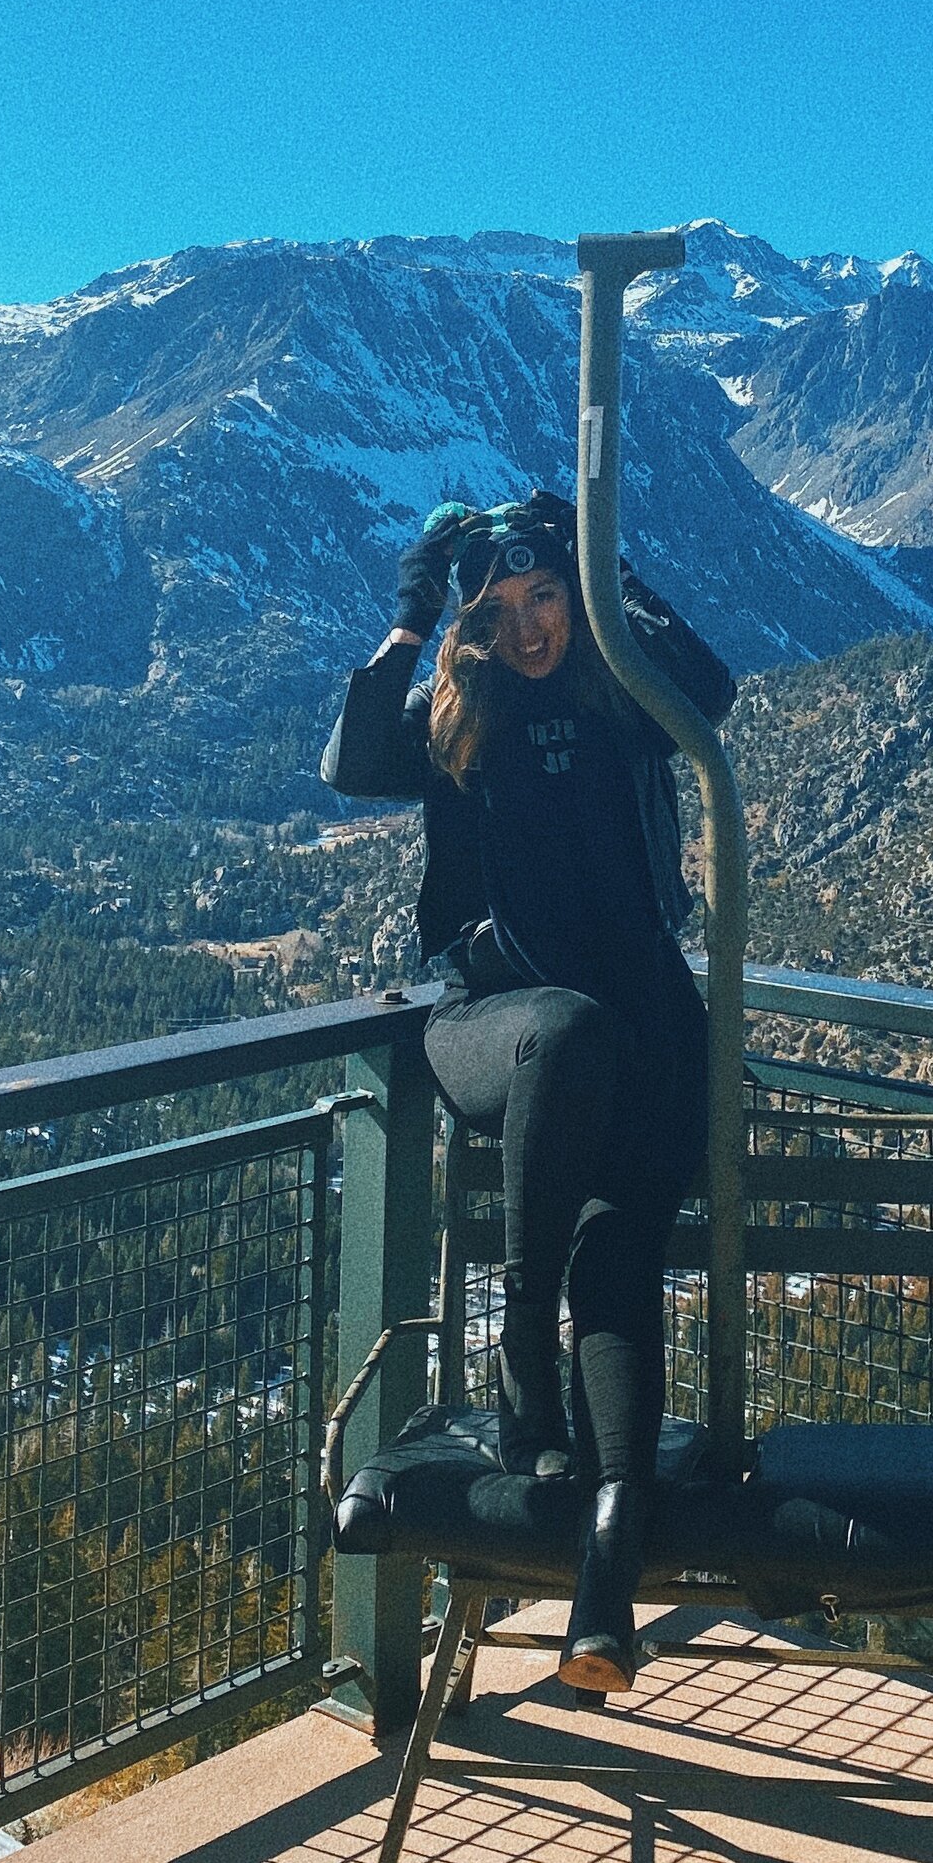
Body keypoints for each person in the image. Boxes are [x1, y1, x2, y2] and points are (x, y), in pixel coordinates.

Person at [320, 489, 735, 1693]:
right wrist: (409, 622)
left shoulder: (623, 704)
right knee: (567, 1028)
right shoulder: (467, 718)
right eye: (498, 609)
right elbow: (350, 760)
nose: (529, 626)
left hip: (646, 1043)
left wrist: (613, 564)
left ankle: (604, 1587)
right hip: (495, 1029)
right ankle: (524, 1364)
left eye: (546, 594)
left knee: (621, 1275)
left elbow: (706, 690)